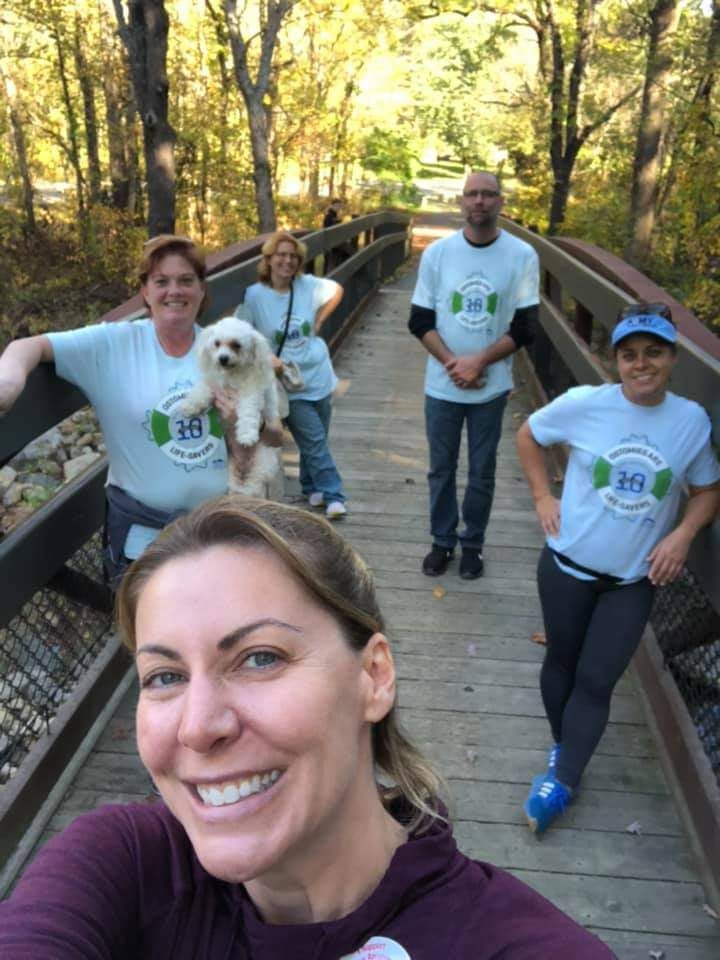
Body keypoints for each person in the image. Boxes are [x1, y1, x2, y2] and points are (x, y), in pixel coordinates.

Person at [0, 496, 616, 958]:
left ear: (373, 677)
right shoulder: (124, 865)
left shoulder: (519, 946)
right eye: (164, 676)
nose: (197, 727)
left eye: (260, 658)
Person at [516, 303, 720, 835]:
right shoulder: (586, 405)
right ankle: (566, 751)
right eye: (629, 355)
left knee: (597, 678)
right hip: (565, 565)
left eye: (654, 352)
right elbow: (529, 436)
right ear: (616, 361)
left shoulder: (690, 421)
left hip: (631, 581)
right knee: (561, 662)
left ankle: (562, 778)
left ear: (672, 357)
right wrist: (542, 494)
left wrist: (683, 533)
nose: (641, 364)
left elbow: (707, 489)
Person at [0, 234, 278, 583]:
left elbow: (276, 434)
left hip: (215, 530)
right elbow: (32, 346)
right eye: (161, 281)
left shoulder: (223, 348)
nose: (174, 291)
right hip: (142, 538)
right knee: (145, 634)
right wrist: (9, 381)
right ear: (144, 291)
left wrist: (240, 424)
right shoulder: (114, 344)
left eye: (186, 281)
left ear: (202, 289)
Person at [409, 171, 539, 580]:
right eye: (472, 194)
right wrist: (455, 363)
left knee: (482, 469)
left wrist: (479, 362)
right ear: (461, 202)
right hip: (442, 384)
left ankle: (473, 546)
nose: (479, 201)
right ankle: (442, 542)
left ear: (501, 202)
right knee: (441, 468)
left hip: (491, 386)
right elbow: (419, 320)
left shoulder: (521, 255)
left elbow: (525, 326)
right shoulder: (438, 254)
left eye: (488, 194)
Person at [240, 230, 348, 520]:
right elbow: (241, 335)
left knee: (318, 439)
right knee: (314, 440)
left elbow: (337, 289)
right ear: (269, 260)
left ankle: (310, 485)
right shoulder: (254, 296)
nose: (287, 261)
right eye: (281, 256)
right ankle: (334, 495)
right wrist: (266, 357)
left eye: (293, 257)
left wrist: (319, 321)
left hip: (319, 375)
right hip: (289, 384)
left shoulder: (308, 285)